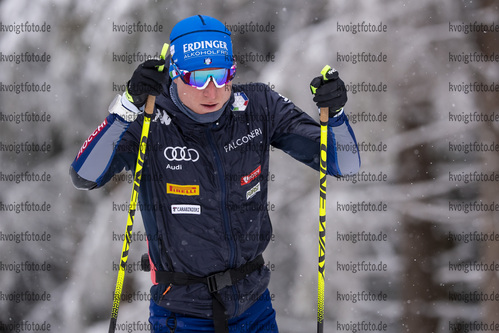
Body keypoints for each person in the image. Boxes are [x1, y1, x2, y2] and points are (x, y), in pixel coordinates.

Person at [70, 14, 360, 333]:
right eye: (198, 78)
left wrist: (336, 116)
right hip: (182, 315)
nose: (212, 91)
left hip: (254, 309)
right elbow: (85, 175)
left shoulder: (258, 106)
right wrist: (126, 108)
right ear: (174, 75)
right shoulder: (150, 121)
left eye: (221, 75)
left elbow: (343, 164)